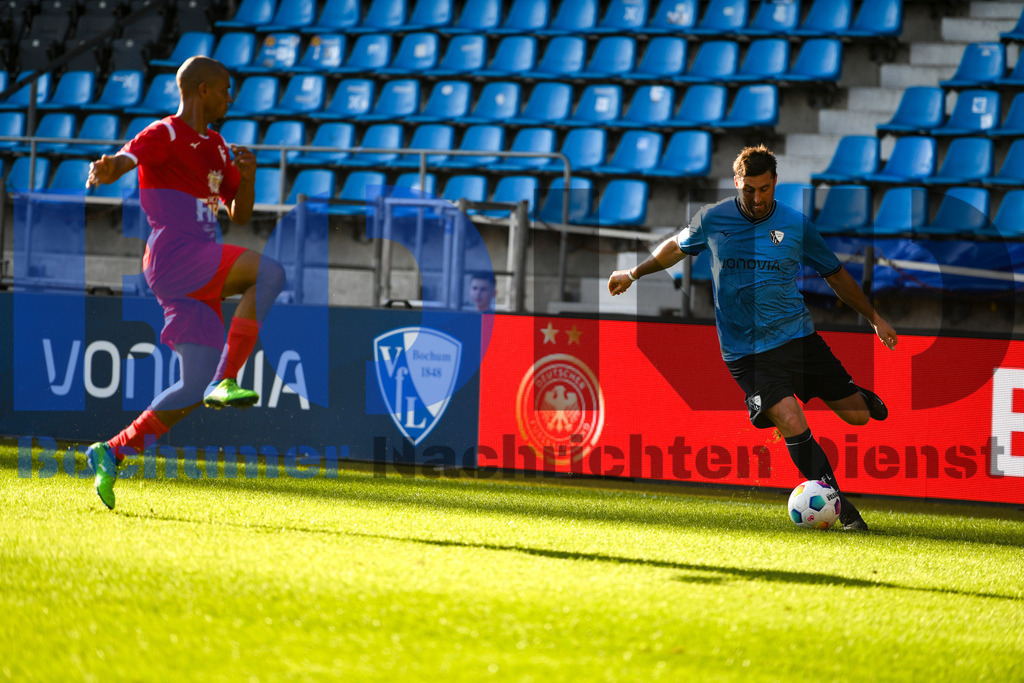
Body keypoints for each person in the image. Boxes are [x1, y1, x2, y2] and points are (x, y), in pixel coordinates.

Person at [608, 145, 897, 531]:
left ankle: (858, 395)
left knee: (857, 417)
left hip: (797, 338)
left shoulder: (795, 224)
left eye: (764, 189)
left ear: (775, 182)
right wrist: (633, 273)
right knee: (790, 418)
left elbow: (835, 274)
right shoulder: (713, 218)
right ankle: (844, 511)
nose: (757, 199)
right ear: (736, 183)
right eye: (749, 190)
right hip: (745, 352)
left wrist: (874, 318)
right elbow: (676, 246)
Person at [83, 56, 286, 509]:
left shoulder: (218, 146)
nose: (231, 97)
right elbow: (127, 158)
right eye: (226, 88)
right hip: (176, 254)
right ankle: (227, 379)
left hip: (196, 263)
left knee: (193, 386)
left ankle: (112, 451)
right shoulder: (166, 133)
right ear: (202, 90)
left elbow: (240, 215)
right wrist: (110, 169)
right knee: (270, 273)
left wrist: (248, 179)